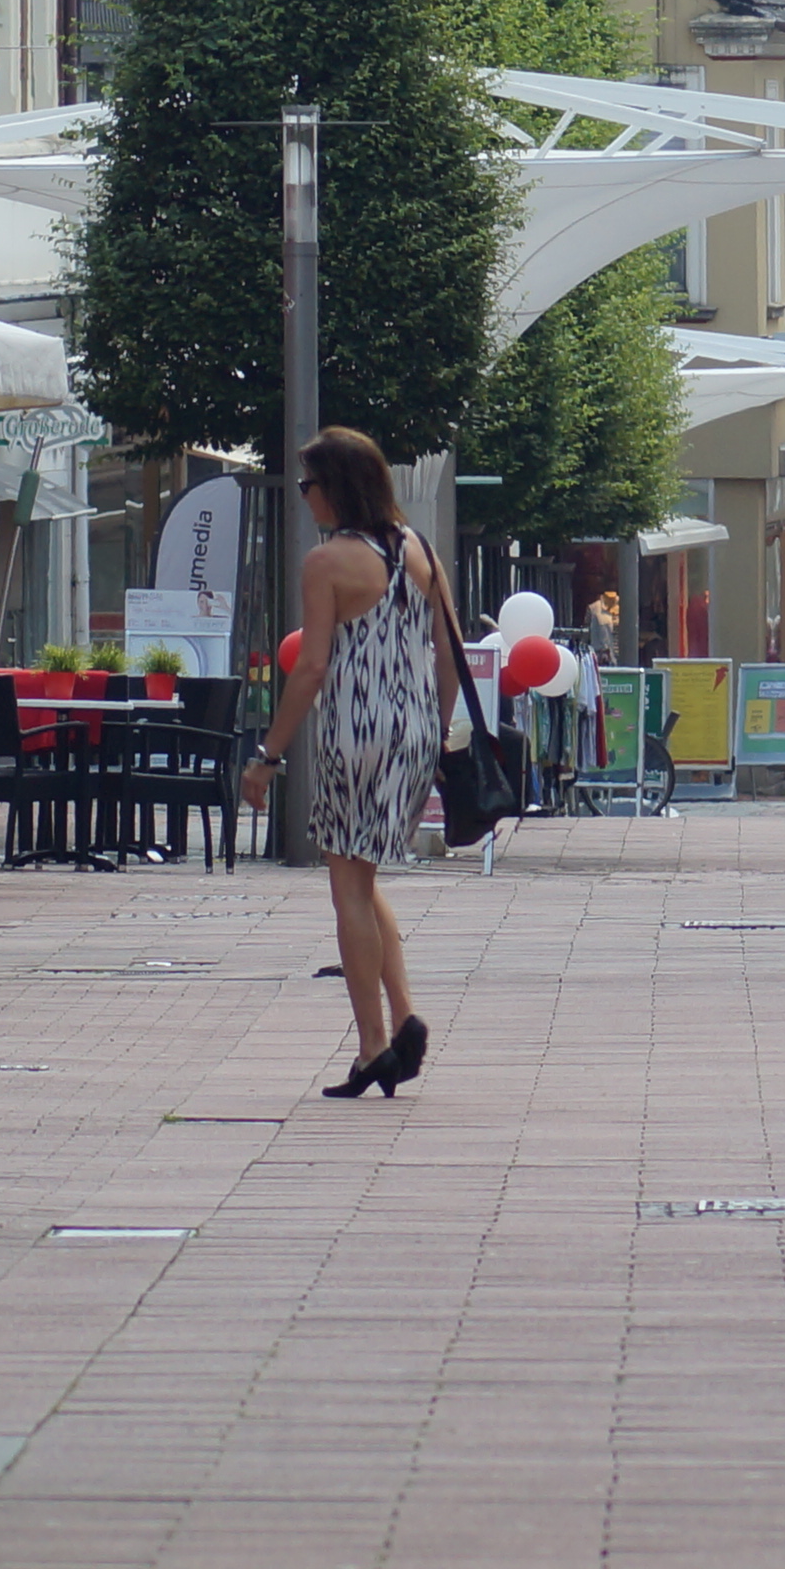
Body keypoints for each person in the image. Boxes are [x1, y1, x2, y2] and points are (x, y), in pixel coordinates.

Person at [235, 428, 460, 1099]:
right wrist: (438, 732)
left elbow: (310, 668)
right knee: (361, 874)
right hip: (415, 728)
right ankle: (403, 1016)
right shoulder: (418, 550)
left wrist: (267, 755)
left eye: (307, 486)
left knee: (347, 888)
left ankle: (371, 1047)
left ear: (334, 487)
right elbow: (449, 649)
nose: (304, 498)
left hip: (355, 733)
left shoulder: (328, 561)